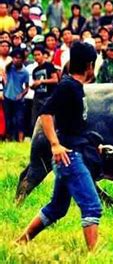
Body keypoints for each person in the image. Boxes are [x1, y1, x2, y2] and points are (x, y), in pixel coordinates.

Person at [16, 41, 101, 251]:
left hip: (73, 153)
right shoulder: (67, 86)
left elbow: (74, 125)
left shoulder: (75, 87)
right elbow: (45, 113)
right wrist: (55, 145)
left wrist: (93, 144)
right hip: (69, 157)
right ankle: (95, 256)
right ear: (90, 65)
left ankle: (20, 242)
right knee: (91, 206)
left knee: (57, 208)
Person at [3, 49, 29, 141]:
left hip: (18, 99)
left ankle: (20, 139)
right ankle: (8, 138)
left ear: (22, 59)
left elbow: (27, 87)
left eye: (19, 58)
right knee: (8, 119)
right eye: (14, 58)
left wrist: (21, 95)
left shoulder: (25, 72)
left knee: (20, 120)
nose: (16, 60)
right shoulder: (9, 68)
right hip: (7, 96)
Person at [30, 46, 59, 128]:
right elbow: (36, 83)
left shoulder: (49, 66)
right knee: (35, 119)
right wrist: (33, 86)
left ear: (43, 55)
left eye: (38, 54)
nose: (36, 57)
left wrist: (41, 81)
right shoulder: (35, 70)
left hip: (49, 96)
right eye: (35, 55)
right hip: (38, 96)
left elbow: (55, 80)